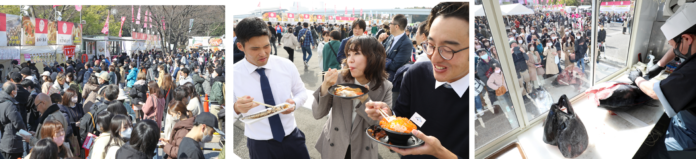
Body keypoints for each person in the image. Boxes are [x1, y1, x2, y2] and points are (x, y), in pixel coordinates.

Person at [364, 1, 469, 158]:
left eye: (447, 49)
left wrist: (440, 153)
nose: (434, 57)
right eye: (431, 45)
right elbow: (402, 116)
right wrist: (389, 115)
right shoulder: (416, 74)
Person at [233, 17, 310, 159]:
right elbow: (224, 115)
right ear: (240, 47)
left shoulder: (286, 65)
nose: (263, 53)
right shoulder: (233, 74)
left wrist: (294, 104)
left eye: (266, 46)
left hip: (292, 138)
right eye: (255, 48)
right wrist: (237, 108)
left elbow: (301, 92)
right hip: (260, 145)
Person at [626, 3, 696, 156]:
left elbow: (655, 92)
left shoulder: (692, 71)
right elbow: (677, 47)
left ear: (687, 38)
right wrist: (660, 64)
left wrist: (637, 78)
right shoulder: (692, 44)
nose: (675, 51)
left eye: (674, 45)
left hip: (687, 140)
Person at [313, 36, 392, 159]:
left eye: (356, 53)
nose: (350, 60)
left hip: (363, 150)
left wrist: (364, 99)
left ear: (374, 57)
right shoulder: (338, 79)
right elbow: (317, 113)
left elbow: (381, 126)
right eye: (348, 54)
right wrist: (325, 85)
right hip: (334, 145)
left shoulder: (385, 87)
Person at [0, 82, 26, 159]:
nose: (17, 91)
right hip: (12, 142)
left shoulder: (2, 102)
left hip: (4, 140)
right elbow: (18, 123)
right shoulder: (9, 105)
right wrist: (26, 132)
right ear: (12, 92)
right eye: (16, 89)